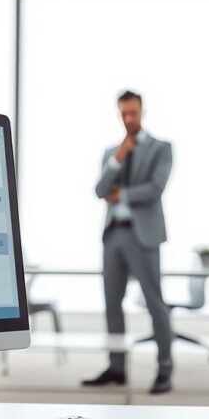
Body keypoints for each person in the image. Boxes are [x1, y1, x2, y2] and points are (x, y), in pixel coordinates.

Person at [82, 90, 174, 395]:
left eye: (134, 113)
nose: (129, 119)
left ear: (143, 111)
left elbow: (156, 187)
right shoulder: (112, 151)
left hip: (143, 234)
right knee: (112, 304)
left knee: (154, 303)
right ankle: (117, 367)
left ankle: (164, 368)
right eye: (124, 113)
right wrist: (117, 160)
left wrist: (121, 195)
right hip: (113, 235)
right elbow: (98, 191)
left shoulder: (161, 148)